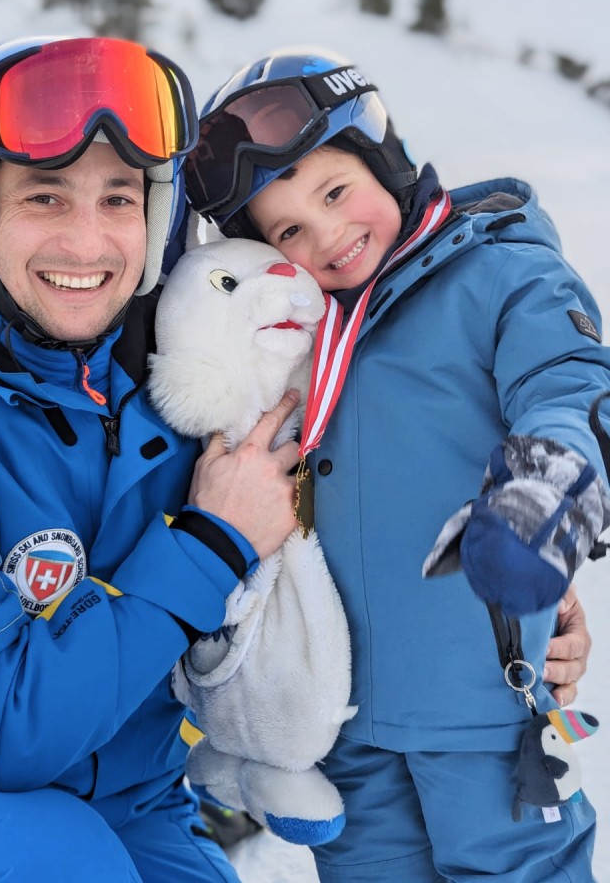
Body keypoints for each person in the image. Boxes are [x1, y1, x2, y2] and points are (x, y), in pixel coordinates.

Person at [0, 35, 303, 883]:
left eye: (119, 199)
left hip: (139, 804)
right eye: (45, 198)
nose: (87, 245)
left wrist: (520, 600)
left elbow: (373, 469)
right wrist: (208, 543)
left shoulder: (185, 369)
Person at [183, 46, 610, 882]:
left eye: (336, 192)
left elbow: (571, 388)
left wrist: (542, 497)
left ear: (386, 160)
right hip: (342, 723)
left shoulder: (501, 277)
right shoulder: (290, 339)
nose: (329, 236)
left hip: (482, 710)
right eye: (290, 232)